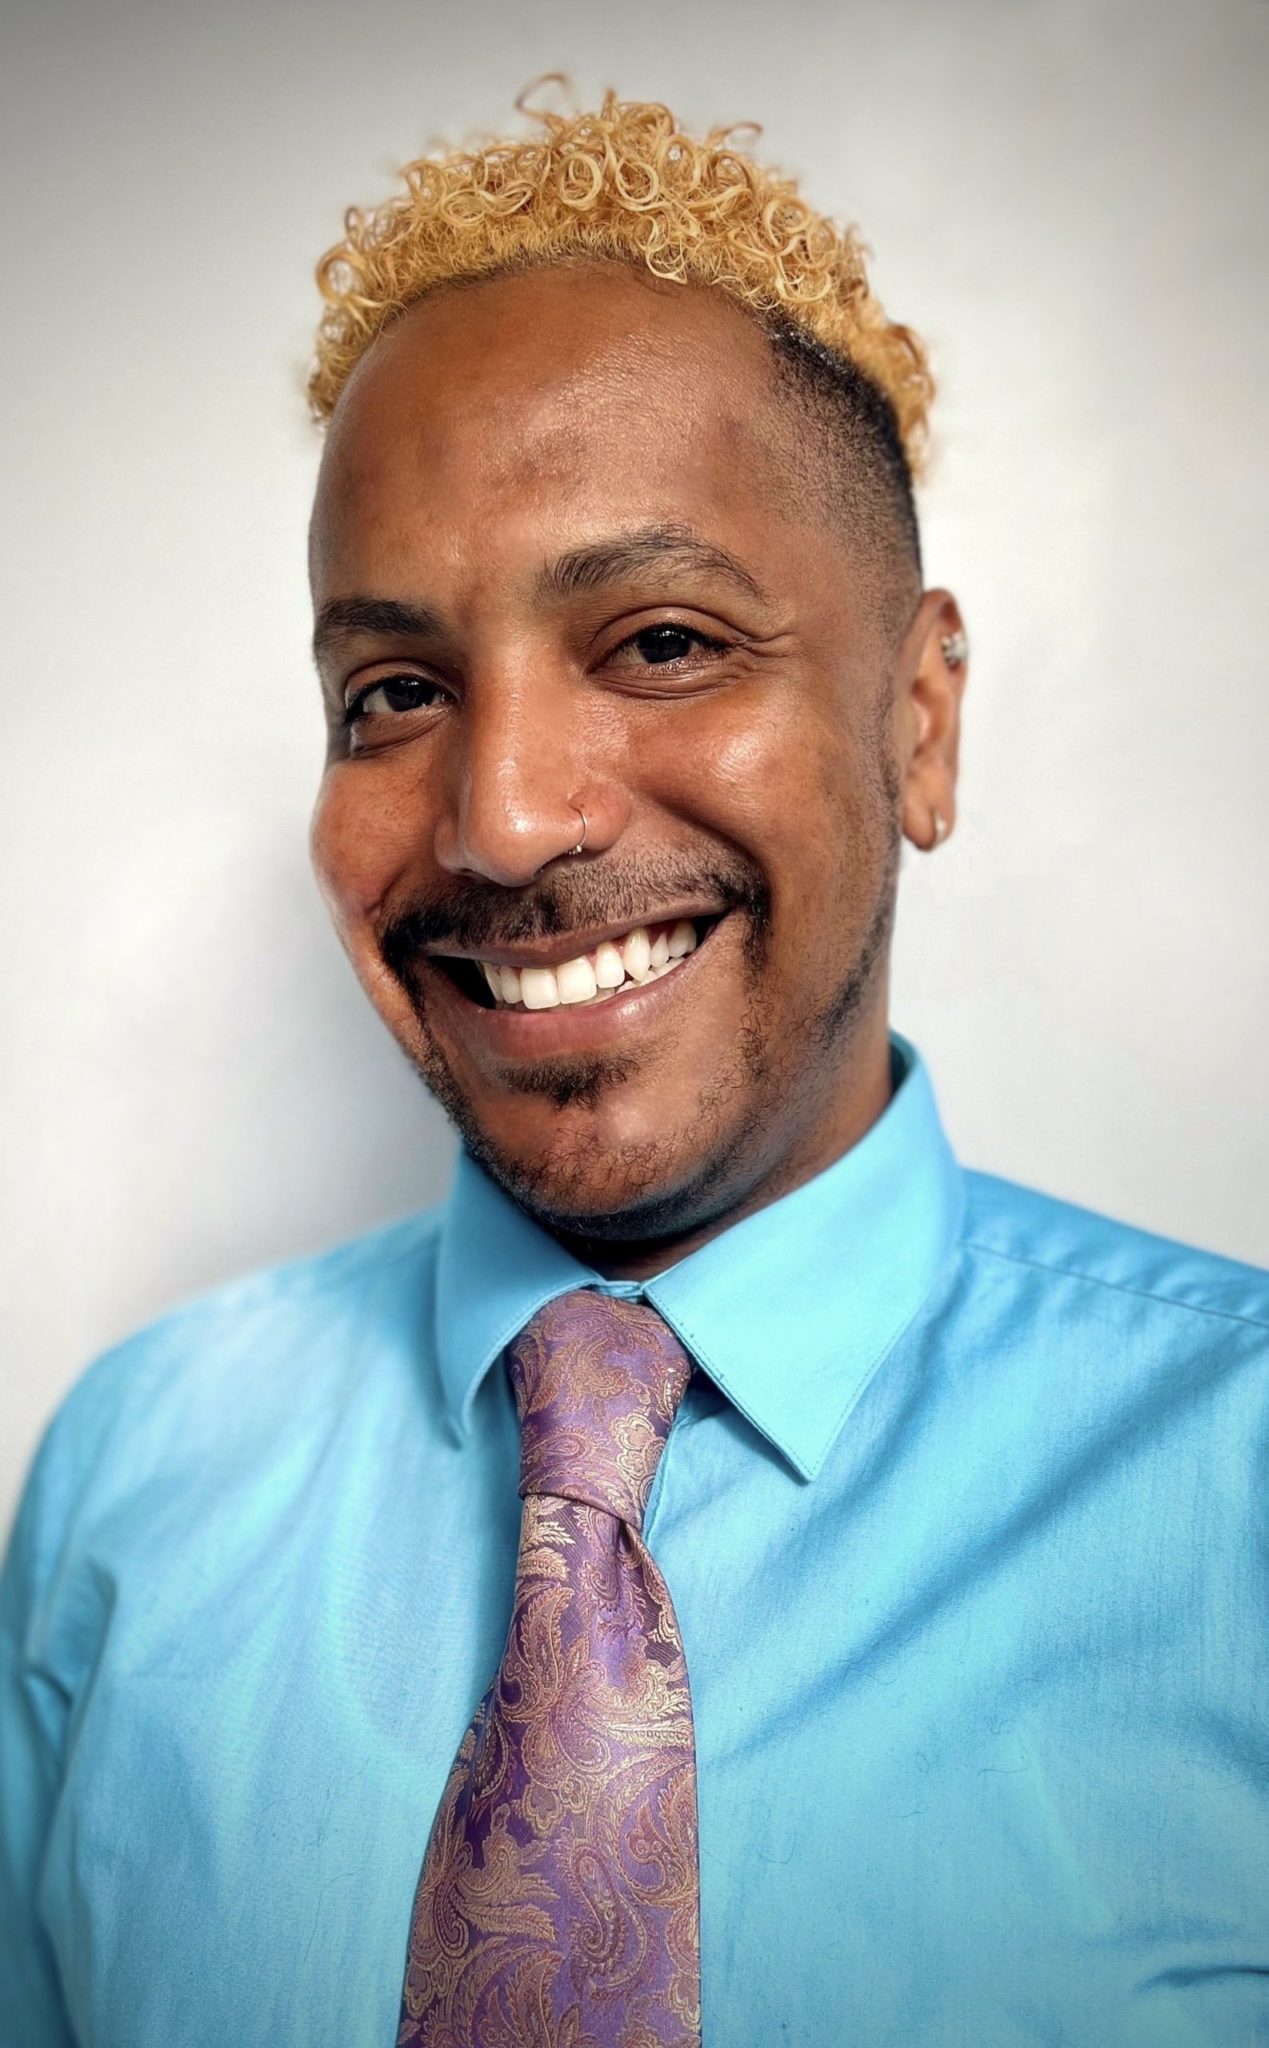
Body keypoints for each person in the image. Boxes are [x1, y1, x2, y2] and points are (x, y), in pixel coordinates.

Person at [1, 87, 1265, 2048]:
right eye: (392, 692)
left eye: (661, 641)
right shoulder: (130, 1482)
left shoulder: (1235, 1490)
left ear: (917, 723)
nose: (501, 819)